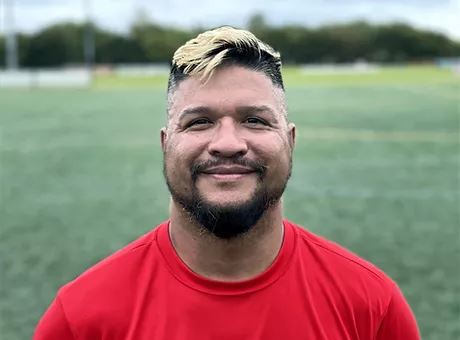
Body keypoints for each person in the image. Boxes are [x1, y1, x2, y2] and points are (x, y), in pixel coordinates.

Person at [34, 26, 420, 339]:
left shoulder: (371, 306)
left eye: (255, 120)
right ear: (167, 144)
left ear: (291, 140)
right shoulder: (81, 318)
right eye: (199, 121)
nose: (228, 144)